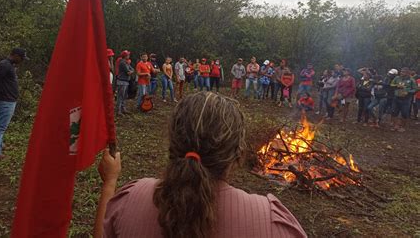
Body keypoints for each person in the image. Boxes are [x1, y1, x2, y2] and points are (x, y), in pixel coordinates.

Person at [94, 92, 307, 238]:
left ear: (172, 142)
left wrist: (109, 184)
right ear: (237, 154)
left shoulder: (131, 199)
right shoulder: (270, 222)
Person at [0, 48, 28, 160]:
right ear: (14, 55)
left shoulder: (8, 65)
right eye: (21, 57)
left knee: (0, 125)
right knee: (0, 126)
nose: (22, 60)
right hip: (5, 100)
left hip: (6, 99)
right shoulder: (5, 65)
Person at [390, 67, 417, 132]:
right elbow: (391, 84)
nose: (401, 73)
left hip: (406, 99)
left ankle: (402, 126)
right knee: (394, 112)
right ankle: (395, 125)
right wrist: (397, 86)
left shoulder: (411, 80)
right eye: (401, 71)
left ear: (407, 73)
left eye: (403, 72)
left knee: (404, 113)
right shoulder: (397, 78)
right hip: (396, 97)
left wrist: (408, 91)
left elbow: (415, 89)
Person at [115, 51, 134, 116]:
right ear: (125, 56)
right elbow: (128, 72)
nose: (129, 56)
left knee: (124, 96)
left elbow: (132, 69)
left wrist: (131, 71)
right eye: (128, 55)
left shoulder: (126, 62)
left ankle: (123, 109)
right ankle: (119, 110)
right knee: (120, 96)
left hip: (126, 81)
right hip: (122, 81)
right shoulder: (122, 62)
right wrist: (131, 71)